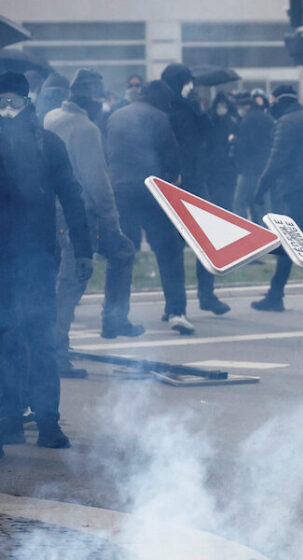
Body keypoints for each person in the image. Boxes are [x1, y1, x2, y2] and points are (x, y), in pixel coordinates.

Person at [0, 72, 92, 448]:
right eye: (2, 101)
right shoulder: (45, 142)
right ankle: (10, 419)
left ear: (27, 102)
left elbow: (72, 197)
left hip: (36, 258)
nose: (7, 109)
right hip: (15, 259)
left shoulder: (49, 144)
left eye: (14, 102)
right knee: (9, 340)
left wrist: (84, 248)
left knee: (36, 339)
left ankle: (46, 421)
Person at [44, 69, 142, 378]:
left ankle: (104, 324)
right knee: (72, 281)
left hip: (52, 210)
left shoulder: (52, 117)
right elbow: (97, 182)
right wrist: (111, 220)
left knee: (69, 276)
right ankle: (58, 353)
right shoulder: (85, 129)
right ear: (93, 99)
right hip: (80, 216)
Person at [106, 80, 194, 334]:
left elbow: (106, 154)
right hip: (152, 191)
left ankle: (115, 313)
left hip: (121, 191)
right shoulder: (160, 118)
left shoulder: (115, 116)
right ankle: (176, 310)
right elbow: (171, 157)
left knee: (123, 254)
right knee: (169, 251)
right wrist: (174, 177)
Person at [160, 63, 230, 317]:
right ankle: (193, 299)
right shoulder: (178, 109)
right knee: (191, 243)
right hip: (184, 181)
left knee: (192, 244)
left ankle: (190, 300)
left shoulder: (173, 107)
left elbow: (209, 138)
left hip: (182, 180)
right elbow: (209, 137)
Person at [250, 86, 303, 312]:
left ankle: (275, 295)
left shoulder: (287, 122)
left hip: (296, 188)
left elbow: (277, 160)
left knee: (288, 240)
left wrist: (260, 188)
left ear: (278, 101)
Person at [231, 90, 274, 222]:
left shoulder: (248, 119)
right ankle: (267, 234)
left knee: (239, 203)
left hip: (249, 169)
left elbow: (246, 145)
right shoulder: (268, 118)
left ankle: (243, 232)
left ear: (245, 106)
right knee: (262, 205)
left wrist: (234, 140)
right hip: (264, 167)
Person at [205, 91, 239, 210]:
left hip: (223, 166)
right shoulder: (213, 122)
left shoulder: (230, 122)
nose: (221, 109)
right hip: (218, 166)